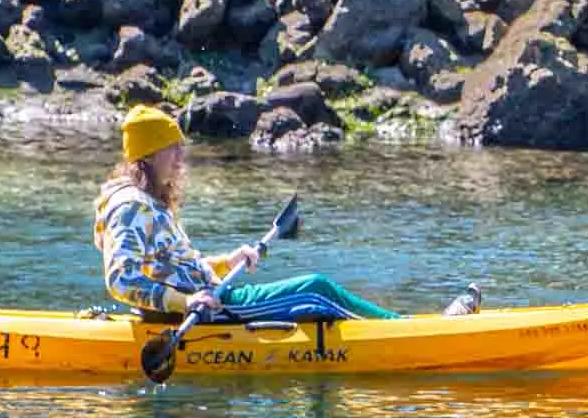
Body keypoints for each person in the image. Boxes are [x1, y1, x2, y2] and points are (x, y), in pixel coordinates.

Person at [92, 104, 401, 322]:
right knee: (315, 289)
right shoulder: (131, 208)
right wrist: (186, 302)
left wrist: (228, 262)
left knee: (314, 296)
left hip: (211, 298)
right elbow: (122, 280)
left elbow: (173, 268)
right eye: (172, 148)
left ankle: (394, 325)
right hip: (206, 310)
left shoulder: (150, 203)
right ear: (149, 154)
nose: (180, 157)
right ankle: (400, 331)